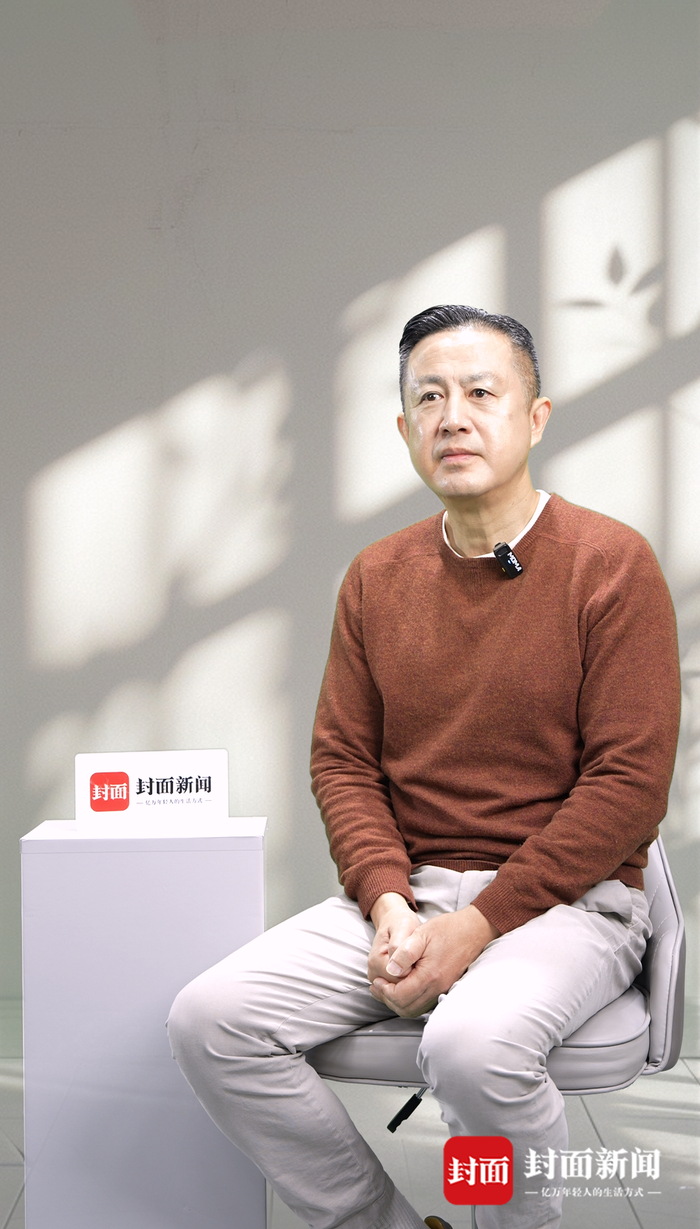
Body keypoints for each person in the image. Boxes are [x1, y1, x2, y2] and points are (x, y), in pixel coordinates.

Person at [167, 305, 681, 1229]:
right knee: (212, 1021)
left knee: (471, 1049)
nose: (454, 417)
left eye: (482, 392)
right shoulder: (376, 577)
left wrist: (477, 926)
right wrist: (390, 902)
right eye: (430, 398)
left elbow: (628, 788)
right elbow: (342, 762)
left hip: (570, 902)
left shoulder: (611, 565)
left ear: (536, 417)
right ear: (405, 430)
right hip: (411, 893)